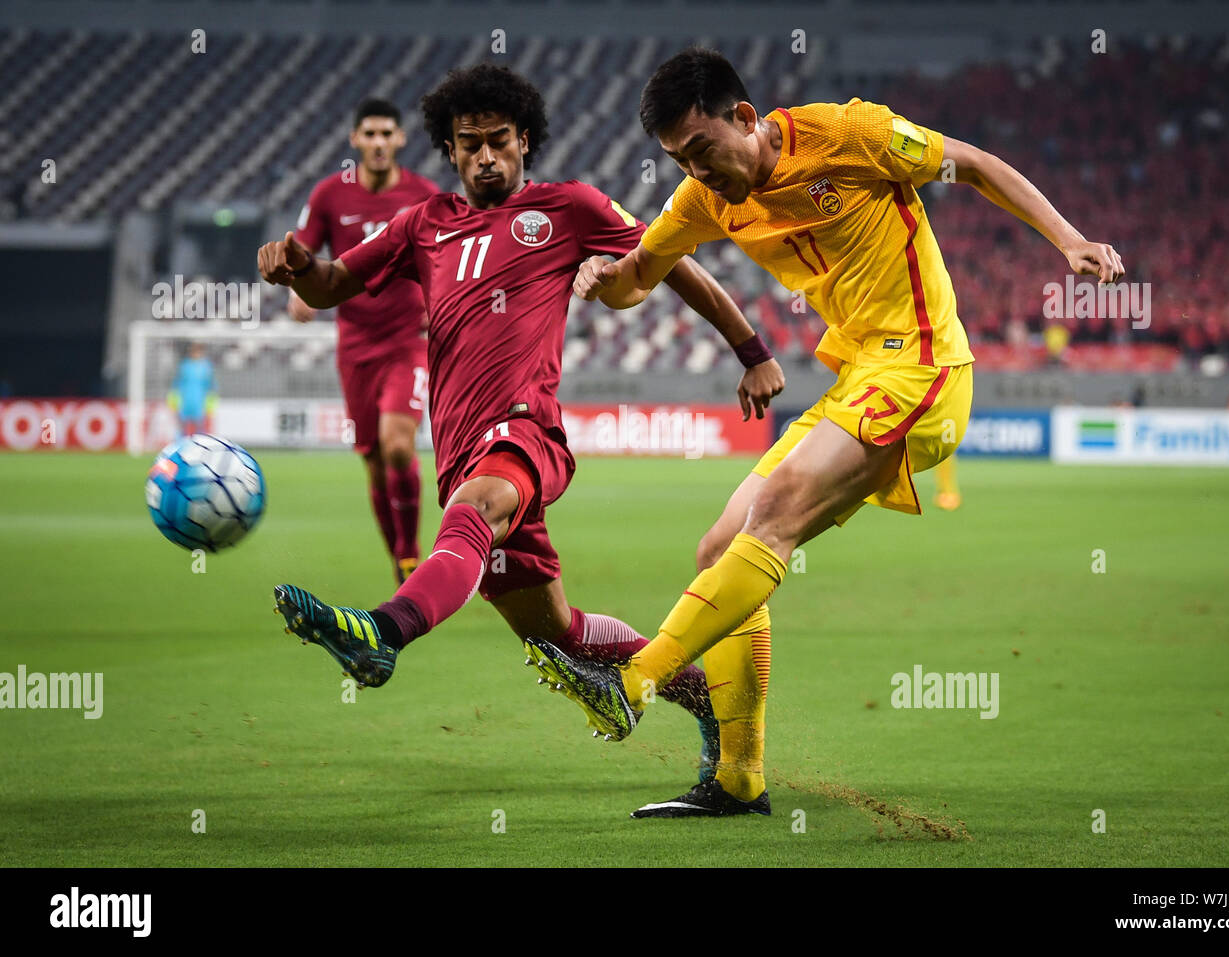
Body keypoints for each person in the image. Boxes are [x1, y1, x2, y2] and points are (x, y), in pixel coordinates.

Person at [528, 47, 1125, 818]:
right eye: (678, 159)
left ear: (745, 118)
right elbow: (638, 278)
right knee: (722, 543)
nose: (696, 172)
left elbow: (971, 164)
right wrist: (601, 280)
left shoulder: (851, 133)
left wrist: (1068, 239)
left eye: (702, 150)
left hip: (924, 368)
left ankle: (633, 683)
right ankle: (739, 777)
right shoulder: (705, 199)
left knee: (772, 516)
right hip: (861, 380)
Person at [256, 64, 785, 786]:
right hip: (460, 450)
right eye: (467, 143)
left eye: (498, 140)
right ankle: (712, 708)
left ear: (525, 139)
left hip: (524, 433)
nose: (484, 155)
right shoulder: (422, 225)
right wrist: (296, 265)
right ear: (448, 150)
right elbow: (331, 286)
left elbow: (669, 258)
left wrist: (750, 349)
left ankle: (383, 630)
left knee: (471, 509)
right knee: (558, 635)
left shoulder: (568, 208)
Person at [291, 97, 439, 584]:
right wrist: (299, 289)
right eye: (369, 134)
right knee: (374, 462)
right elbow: (303, 249)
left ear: (400, 139)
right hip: (354, 344)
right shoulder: (331, 195)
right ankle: (398, 559)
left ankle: (413, 552)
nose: (378, 143)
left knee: (398, 445)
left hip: (408, 340)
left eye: (386, 134)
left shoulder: (423, 194)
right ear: (355, 139)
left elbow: (448, 256)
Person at [169, 342, 215, 437]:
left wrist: (211, 402)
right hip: (185, 399)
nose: (195, 354)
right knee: (182, 425)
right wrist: (174, 398)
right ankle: (181, 446)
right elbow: (176, 383)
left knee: (199, 425)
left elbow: (211, 385)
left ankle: (200, 446)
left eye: (198, 351)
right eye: (193, 351)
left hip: (199, 400)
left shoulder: (206, 366)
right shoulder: (184, 365)